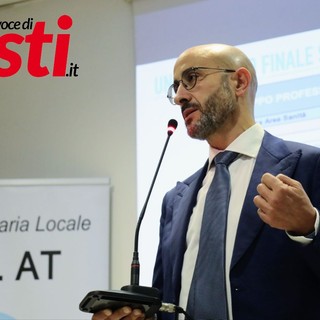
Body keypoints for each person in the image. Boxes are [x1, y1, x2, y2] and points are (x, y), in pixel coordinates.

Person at [92, 44, 320, 320]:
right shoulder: (174, 201)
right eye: (175, 87)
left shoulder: (307, 166)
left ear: (239, 81)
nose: (179, 98)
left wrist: (309, 227)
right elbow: (166, 305)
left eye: (191, 79)